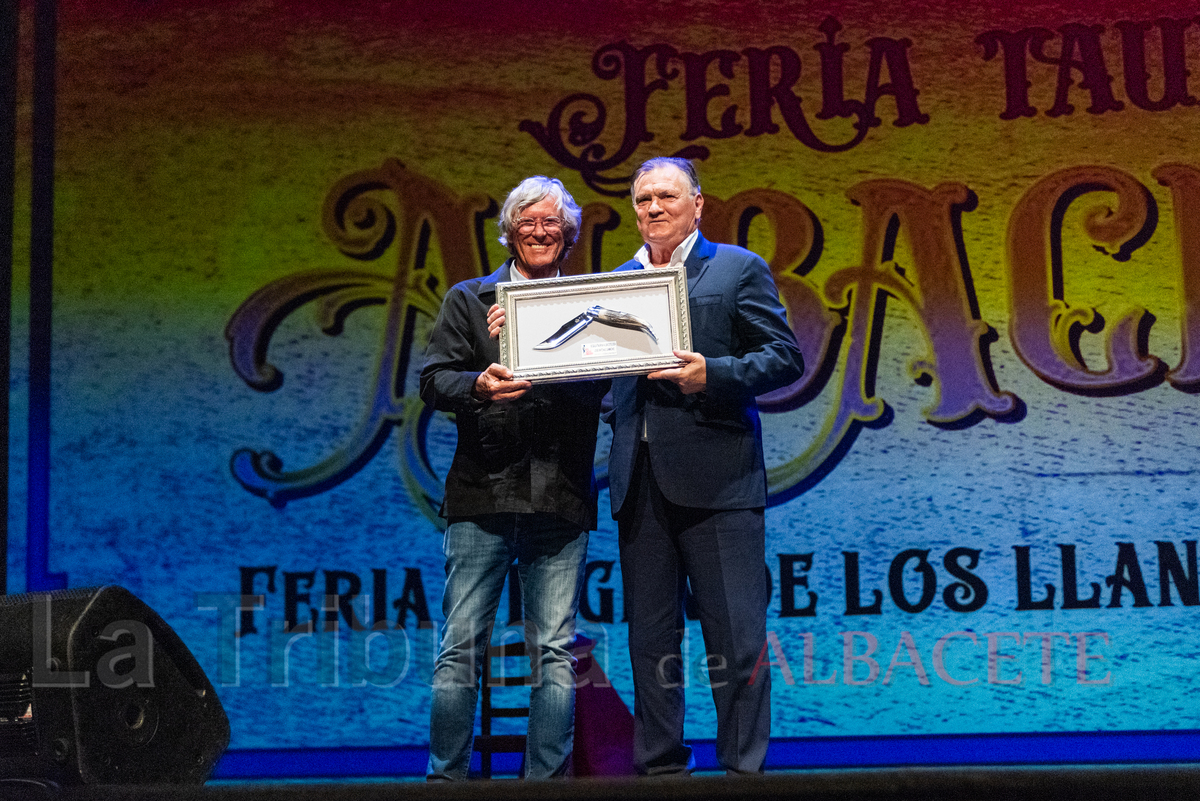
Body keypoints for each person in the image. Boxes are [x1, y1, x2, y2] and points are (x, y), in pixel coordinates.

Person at [606, 157, 804, 775]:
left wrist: (710, 375)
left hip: (718, 479)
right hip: (638, 481)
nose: (653, 209)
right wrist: (516, 342)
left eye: (666, 196)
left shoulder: (736, 267)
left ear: (698, 204)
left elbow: (783, 357)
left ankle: (742, 771)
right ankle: (660, 768)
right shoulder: (614, 281)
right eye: (642, 200)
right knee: (649, 640)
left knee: (737, 638)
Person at [420, 176, 607, 780]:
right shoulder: (470, 300)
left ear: (568, 234)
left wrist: (552, 348)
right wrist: (481, 380)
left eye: (552, 222)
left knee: (554, 653)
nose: (540, 231)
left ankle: (544, 787)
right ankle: (444, 781)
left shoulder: (590, 305)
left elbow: (606, 382)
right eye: (528, 221)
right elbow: (433, 381)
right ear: (509, 231)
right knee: (460, 650)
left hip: (560, 497)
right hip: (483, 493)